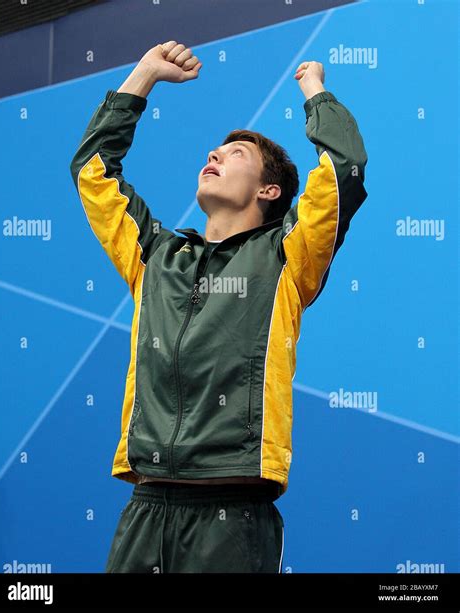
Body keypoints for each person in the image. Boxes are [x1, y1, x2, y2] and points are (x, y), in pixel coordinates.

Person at [69, 40, 368, 573]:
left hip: (233, 515)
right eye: (215, 151)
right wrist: (144, 75)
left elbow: (342, 171)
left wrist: (314, 90)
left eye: (236, 155)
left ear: (269, 191)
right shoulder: (153, 255)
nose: (215, 156)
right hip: (146, 507)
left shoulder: (288, 257)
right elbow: (94, 171)